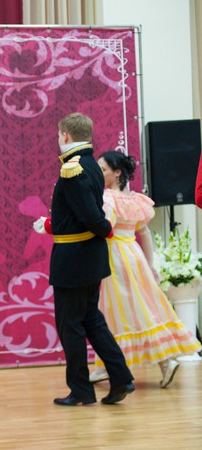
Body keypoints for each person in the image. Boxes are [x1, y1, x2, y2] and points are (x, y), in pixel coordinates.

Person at [33, 112, 135, 406]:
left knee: (71, 326)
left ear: (65, 135)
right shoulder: (90, 163)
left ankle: (81, 390)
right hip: (88, 257)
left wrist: (104, 228)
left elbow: (90, 214)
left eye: (58, 135)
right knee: (91, 320)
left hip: (73, 260)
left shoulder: (73, 168)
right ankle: (121, 377)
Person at [89, 151, 201, 387]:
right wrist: (150, 265)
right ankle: (106, 366)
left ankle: (162, 362)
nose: (100, 173)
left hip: (116, 256)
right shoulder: (136, 199)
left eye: (103, 169)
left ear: (117, 172)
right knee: (136, 306)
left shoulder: (108, 199)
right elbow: (145, 233)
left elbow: (105, 228)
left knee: (123, 309)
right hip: (134, 254)